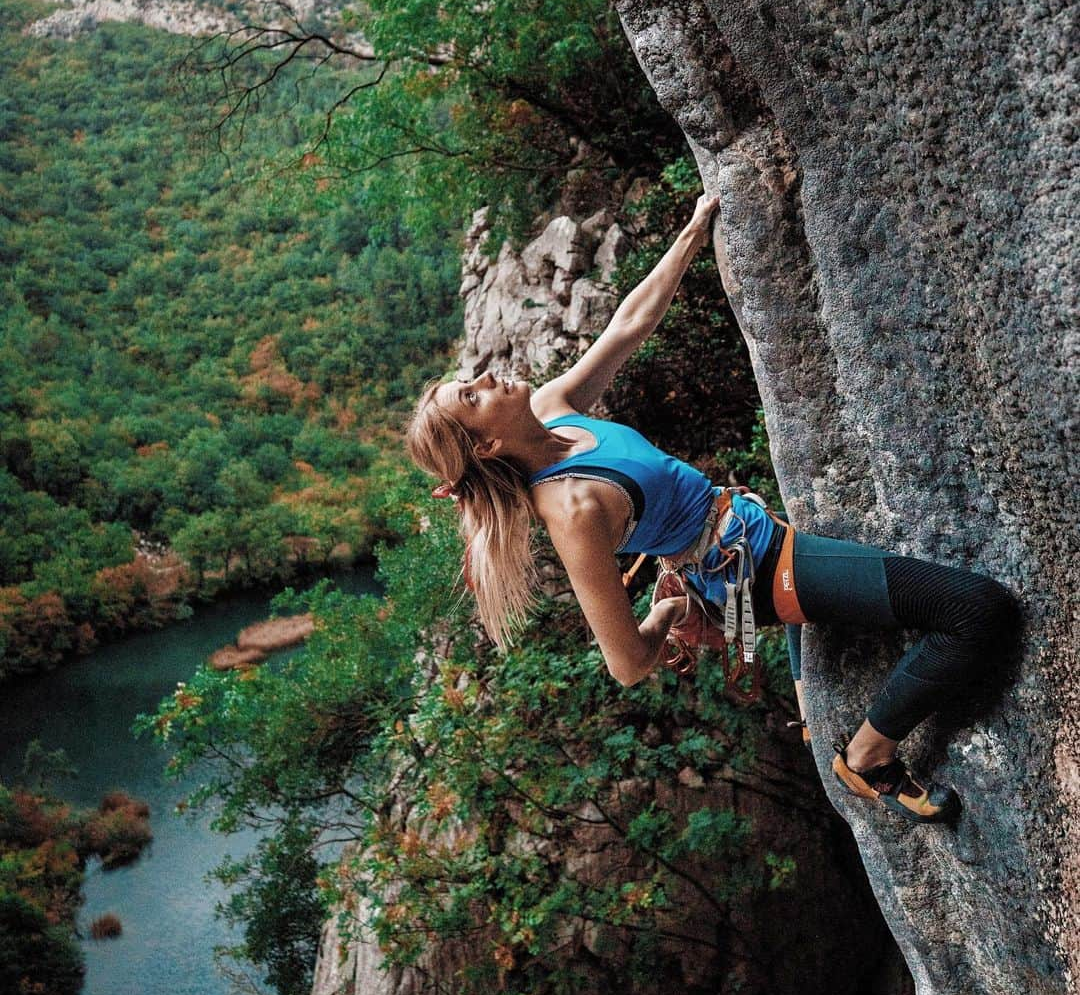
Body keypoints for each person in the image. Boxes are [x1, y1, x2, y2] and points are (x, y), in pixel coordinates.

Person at [406, 192, 1016, 824]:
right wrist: (669, 606)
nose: (486, 379)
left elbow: (627, 326)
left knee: (853, 599)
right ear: (487, 444)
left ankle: (810, 685)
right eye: (472, 397)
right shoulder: (573, 506)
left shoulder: (553, 410)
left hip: (752, 536)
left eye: (471, 379)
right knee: (975, 611)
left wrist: (694, 233)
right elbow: (627, 664)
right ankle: (867, 758)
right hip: (755, 569)